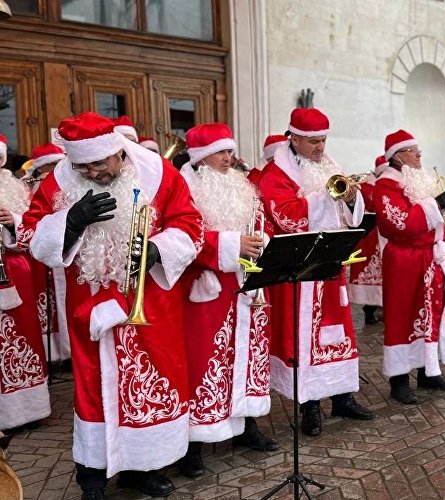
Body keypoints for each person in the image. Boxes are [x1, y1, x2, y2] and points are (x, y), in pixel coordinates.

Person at [20, 112, 203, 499]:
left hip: (151, 303)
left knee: (152, 381)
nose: (93, 173)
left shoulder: (159, 174)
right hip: (90, 304)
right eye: (82, 166)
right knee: (94, 386)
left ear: (118, 152)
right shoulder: (58, 180)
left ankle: (144, 467)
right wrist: (70, 221)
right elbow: (34, 234)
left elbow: (189, 223)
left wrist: (159, 247)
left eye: (99, 163)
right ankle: (92, 475)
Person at [257, 108, 374, 437]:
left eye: (323, 140)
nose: (320, 147)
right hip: (301, 272)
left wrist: (352, 197)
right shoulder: (276, 174)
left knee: (339, 334)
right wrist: (324, 195)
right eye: (312, 141)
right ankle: (309, 406)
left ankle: (342, 396)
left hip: (331, 265)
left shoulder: (329, 165)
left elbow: (351, 214)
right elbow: (288, 217)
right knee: (304, 341)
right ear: (293, 137)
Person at [175, 123, 277, 478]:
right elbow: (183, 236)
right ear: (202, 157)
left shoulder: (241, 186)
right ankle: (194, 445)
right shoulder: (185, 190)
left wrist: (261, 237)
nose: (229, 159)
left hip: (246, 287)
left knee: (247, 357)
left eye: (230, 152)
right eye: (221, 152)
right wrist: (231, 245)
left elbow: (262, 223)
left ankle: (245, 425)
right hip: (207, 290)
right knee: (205, 361)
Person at [373, 130, 445, 404]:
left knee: (431, 315)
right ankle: (399, 380)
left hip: (430, 258)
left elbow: (434, 221)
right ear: (397, 157)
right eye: (412, 149)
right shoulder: (386, 186)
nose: (419, 153)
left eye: (418, 148)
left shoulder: (422, 180)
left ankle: (428, 372)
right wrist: (435, 205)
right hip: (405, 261)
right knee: (403, 318)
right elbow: (400, 224)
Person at [0, 138, 51, 435]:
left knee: (23, 337)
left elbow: (35, 230)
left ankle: (28, 409)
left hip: (16, 272)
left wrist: (12, 223)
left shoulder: (16, 189)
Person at [25, 144, 69, 365]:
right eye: (50, 166)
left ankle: (68, 349)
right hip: (40, 260)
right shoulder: (29, 189)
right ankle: (54, 352)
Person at [348, 154, 389, 324]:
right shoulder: (368, 186)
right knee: (373, 272)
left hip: (384, 235)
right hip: (371, 236)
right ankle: (369, 310)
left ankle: (381, 309)